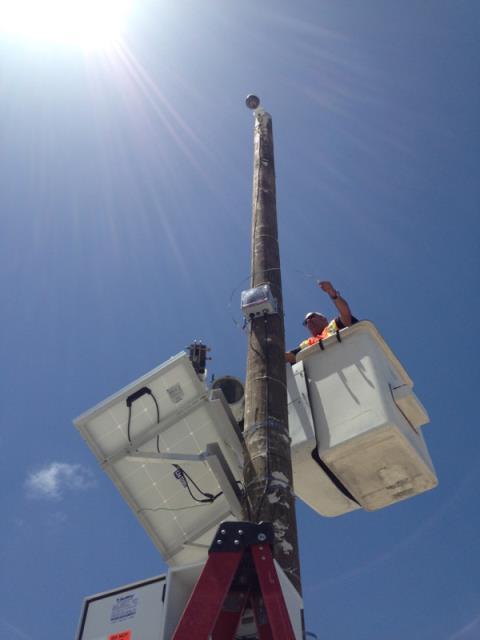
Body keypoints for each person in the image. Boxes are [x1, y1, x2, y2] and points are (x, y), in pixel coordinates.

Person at [285, 281, 358, 364]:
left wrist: (332, 293)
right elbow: (291, 357)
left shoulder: (334, 325)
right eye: (305, 322)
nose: (308, 321)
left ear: (323, 319)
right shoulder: (307, 343)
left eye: (312, 317)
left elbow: (346, 314)